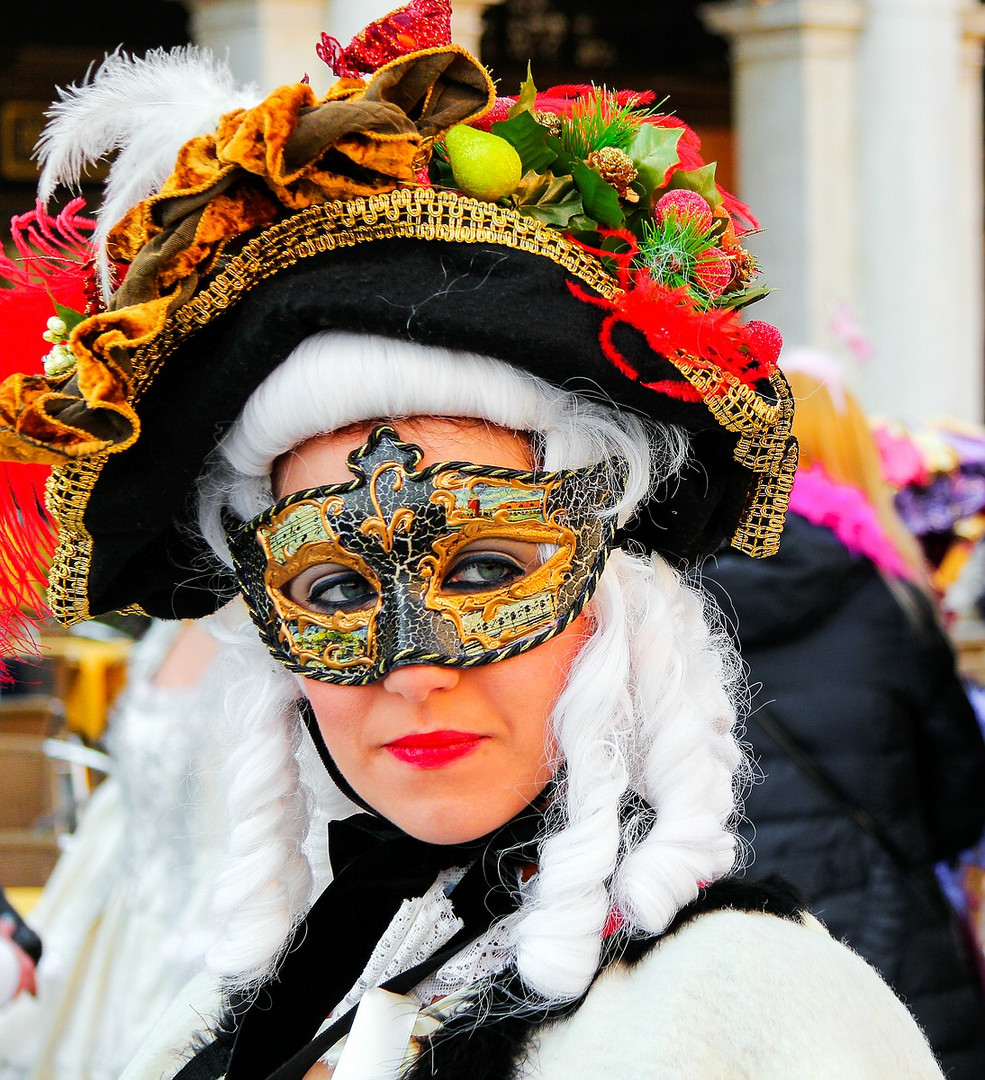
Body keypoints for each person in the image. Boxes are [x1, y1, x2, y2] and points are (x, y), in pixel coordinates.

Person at [0, 4, 948, 1077]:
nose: (413, 669)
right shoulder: (270, 1004)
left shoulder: (758, 1022)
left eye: (488, 567)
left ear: (610, 592)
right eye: (332, 587)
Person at [704, 357, 985, 1079]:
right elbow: (958, 803)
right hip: (888, 948)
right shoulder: (886, 594)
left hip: (716, 953)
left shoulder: (657, 593)